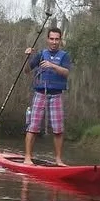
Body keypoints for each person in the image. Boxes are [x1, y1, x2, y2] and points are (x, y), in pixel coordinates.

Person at [23, 26, 71, 166]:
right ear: (47, 39)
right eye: (52, 39)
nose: (54, 42)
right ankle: (27, 157)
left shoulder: (64, 56)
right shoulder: (40, 54)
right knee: (33, 127)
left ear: (60, 40)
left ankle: (58, 160)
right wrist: (27, 57)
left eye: (57, 39)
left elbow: (66, 73)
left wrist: (52, 65)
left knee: (58, 129)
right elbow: (26, 70)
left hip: (56, 95)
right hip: (40, 94)